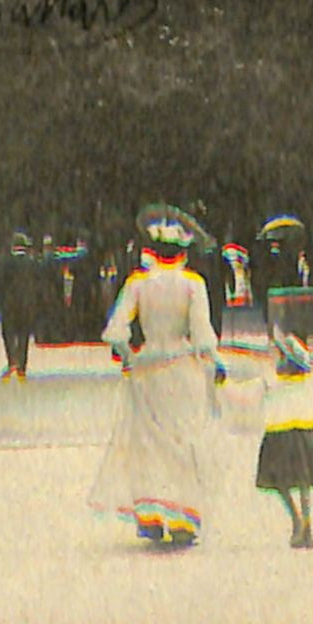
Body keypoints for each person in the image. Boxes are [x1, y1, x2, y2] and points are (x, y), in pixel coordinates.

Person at [88, 208, 221, 548]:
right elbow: (202, 335)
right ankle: (182, 517)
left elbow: (116, 330)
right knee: (182, 440)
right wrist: (214, 362)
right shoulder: (193, 285)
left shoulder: (138, 284)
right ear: (182, 253)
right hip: (180, 365)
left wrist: (131, 356)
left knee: (147, 444)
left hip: (147, 369)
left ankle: (151, 514)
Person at [255, 332, 313, 549]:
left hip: (282, 433)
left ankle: (299, 522)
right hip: (301, 432)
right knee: (301, 481)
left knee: (285, 481)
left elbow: (249, 395)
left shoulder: (277, 381)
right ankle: (303, 522)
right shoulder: (300, 381)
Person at [0, 232, 40, 380]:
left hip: (10, 304)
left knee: (8, 332)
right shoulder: (32, 263)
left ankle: (11, 359)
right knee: (23, 334)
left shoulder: (5, 262)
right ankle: (22, 365)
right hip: (26, 303)